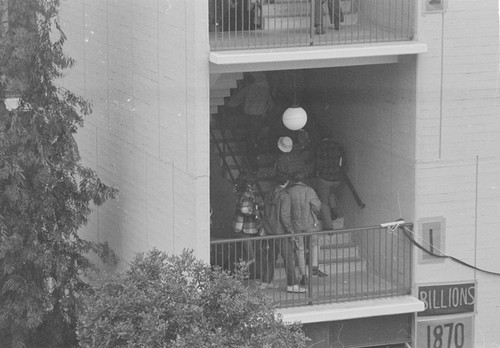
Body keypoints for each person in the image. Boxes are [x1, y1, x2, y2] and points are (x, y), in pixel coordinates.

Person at [261, 171, 306, 293]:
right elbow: (285, 216)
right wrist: (291, 231)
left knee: (271, 257)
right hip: (281, 232)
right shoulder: (285, 195)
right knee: (289, 258)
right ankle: (292, 284)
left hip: (270, 230)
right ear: (287, 182)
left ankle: (266, 282)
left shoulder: (269, 193)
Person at [288, 170, 327, 280]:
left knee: (300, 249)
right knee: (315, 243)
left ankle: (303, 275)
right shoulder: (309, 190)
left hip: (296, 225)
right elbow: (317, 206)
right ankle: (314, 267)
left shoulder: (289, 191)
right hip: (310, 224)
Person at [314, 129, 344, 230]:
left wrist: (317, 172)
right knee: (331, 194)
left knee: (324, 202)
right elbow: (343, 160)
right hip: (337, 178)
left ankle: (329, 226)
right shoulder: (338, 146)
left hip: (325, 178)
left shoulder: (320, 146)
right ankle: (335, 213)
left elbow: (318, 162)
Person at [232, 174, 261, 273]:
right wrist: (253, 212)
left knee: (241, 255)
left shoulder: (239, 192)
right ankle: (240, 273)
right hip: (245, 227)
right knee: (250, 257)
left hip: (237, 226)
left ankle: (238, 273)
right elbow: (244, 209)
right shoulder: (249, 193)